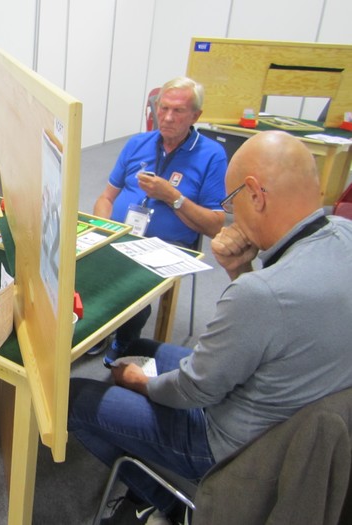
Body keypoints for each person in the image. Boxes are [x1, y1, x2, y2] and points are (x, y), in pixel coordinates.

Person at [69, 130, 352, 524]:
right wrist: (239, 268)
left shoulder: (261, 294)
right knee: (145, 349)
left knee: (75, 398)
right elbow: (272, 330)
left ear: (255, 194)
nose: (231, 214)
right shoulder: (343, 233)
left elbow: (193, 390)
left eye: (232, 201)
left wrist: (140, 383)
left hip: (233, 446)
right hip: (291, 415)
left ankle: (167, 503)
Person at [88, 77, 227, 366]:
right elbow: (106, 198)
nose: (167, 117)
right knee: (81, 262)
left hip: (169, 244)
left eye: (178, 111)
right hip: (122, 234)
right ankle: (97, 328)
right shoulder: (137, 143)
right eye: (163, 108)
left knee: (131, 279)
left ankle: (126, 340)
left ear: (195, 116)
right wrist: (104, 229)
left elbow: (215, 225)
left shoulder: (212, 155)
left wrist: (173, 197)